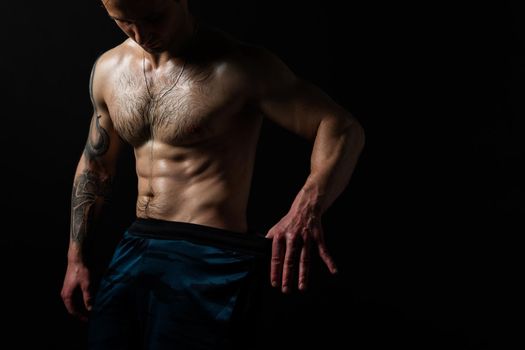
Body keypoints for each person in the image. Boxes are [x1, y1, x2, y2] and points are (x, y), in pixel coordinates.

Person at [61, 0, 365, 348]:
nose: (141, 34)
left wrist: (307, 206)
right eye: (124, 22)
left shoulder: (242, 67)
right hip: (136, 244)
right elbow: (96, 165)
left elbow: (341, 127)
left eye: (153, 18)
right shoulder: (108, 69)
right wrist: (76, 258)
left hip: (209, 255)